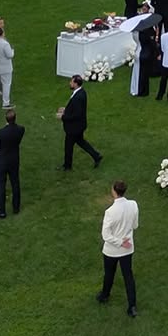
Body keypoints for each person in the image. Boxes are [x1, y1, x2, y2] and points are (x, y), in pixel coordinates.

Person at [97, 179, 139, 317]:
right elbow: (135, 225)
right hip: (127, 248)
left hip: (112, 250)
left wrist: (119, 242)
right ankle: (132, 306)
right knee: (128, 276)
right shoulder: (133, 205)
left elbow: (106, 235)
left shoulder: (110, 212)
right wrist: (124, 240)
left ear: (114, 191)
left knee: (109, 273)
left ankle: (105, 295)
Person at [57, 75, 102, 170]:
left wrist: (63, 116)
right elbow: (76, 109)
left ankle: (67, 166)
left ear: (76, 84)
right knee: (81, 142)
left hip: (74, 127)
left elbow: (76, 114)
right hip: (79, 125)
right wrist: (66, 110)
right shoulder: (81, 92)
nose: (70, 83)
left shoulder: (78, 97)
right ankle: (96, 156)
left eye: (71, 82)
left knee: (68, 146)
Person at [0, 108, 24, 217]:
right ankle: (16, 208)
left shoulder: (1, 132)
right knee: (15, 183)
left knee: (1, 185)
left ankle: (1, 211)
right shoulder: (21, 129)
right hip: (14, 160)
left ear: (6, 119)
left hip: (3, 161)